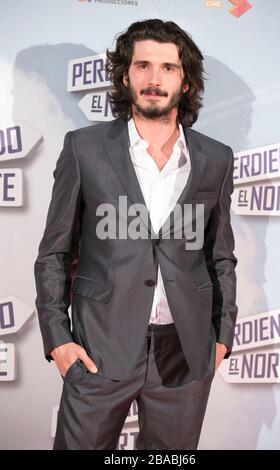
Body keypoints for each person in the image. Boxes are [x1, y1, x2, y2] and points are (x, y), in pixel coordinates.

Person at [34, 19, 238, 450]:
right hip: (98, 349)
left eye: (168, 68)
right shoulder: (83, 148)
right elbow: (54, 252)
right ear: (125, 75)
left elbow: (220, 256)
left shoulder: (216, 158)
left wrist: (221, 336)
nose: (153, 79)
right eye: (142, 65)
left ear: (186, 82)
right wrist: (59, 340)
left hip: (184, 352)